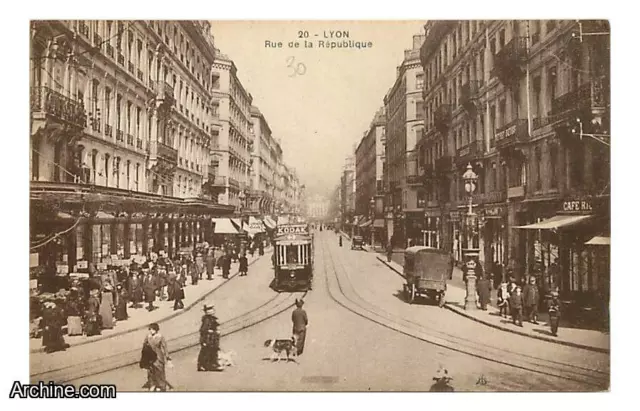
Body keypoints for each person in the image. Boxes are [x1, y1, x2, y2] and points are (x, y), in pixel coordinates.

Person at [142, 323, 171, 391]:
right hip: (150, 357)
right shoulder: (148, 336)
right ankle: (152, 384)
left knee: (160, 371)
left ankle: (161, 385)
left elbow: (165, 347)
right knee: (150, 371)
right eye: (150, 329)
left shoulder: (160, 336)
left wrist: (167, 357)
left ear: (156, 329)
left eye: (152, 329)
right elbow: (144, 345)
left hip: (158, 356)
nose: (151, 331)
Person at [197, 304, 222, 371]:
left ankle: (209, 365)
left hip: (212, 339)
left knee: (212, 351)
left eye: (211, 309)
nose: (211, 311)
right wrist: (210, 331)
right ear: (206, 311)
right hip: (207, 339)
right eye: (208, 309)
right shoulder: (207, 319)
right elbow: (203, 330)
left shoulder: (212, 318)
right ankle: (207, 365)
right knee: (207, 351)